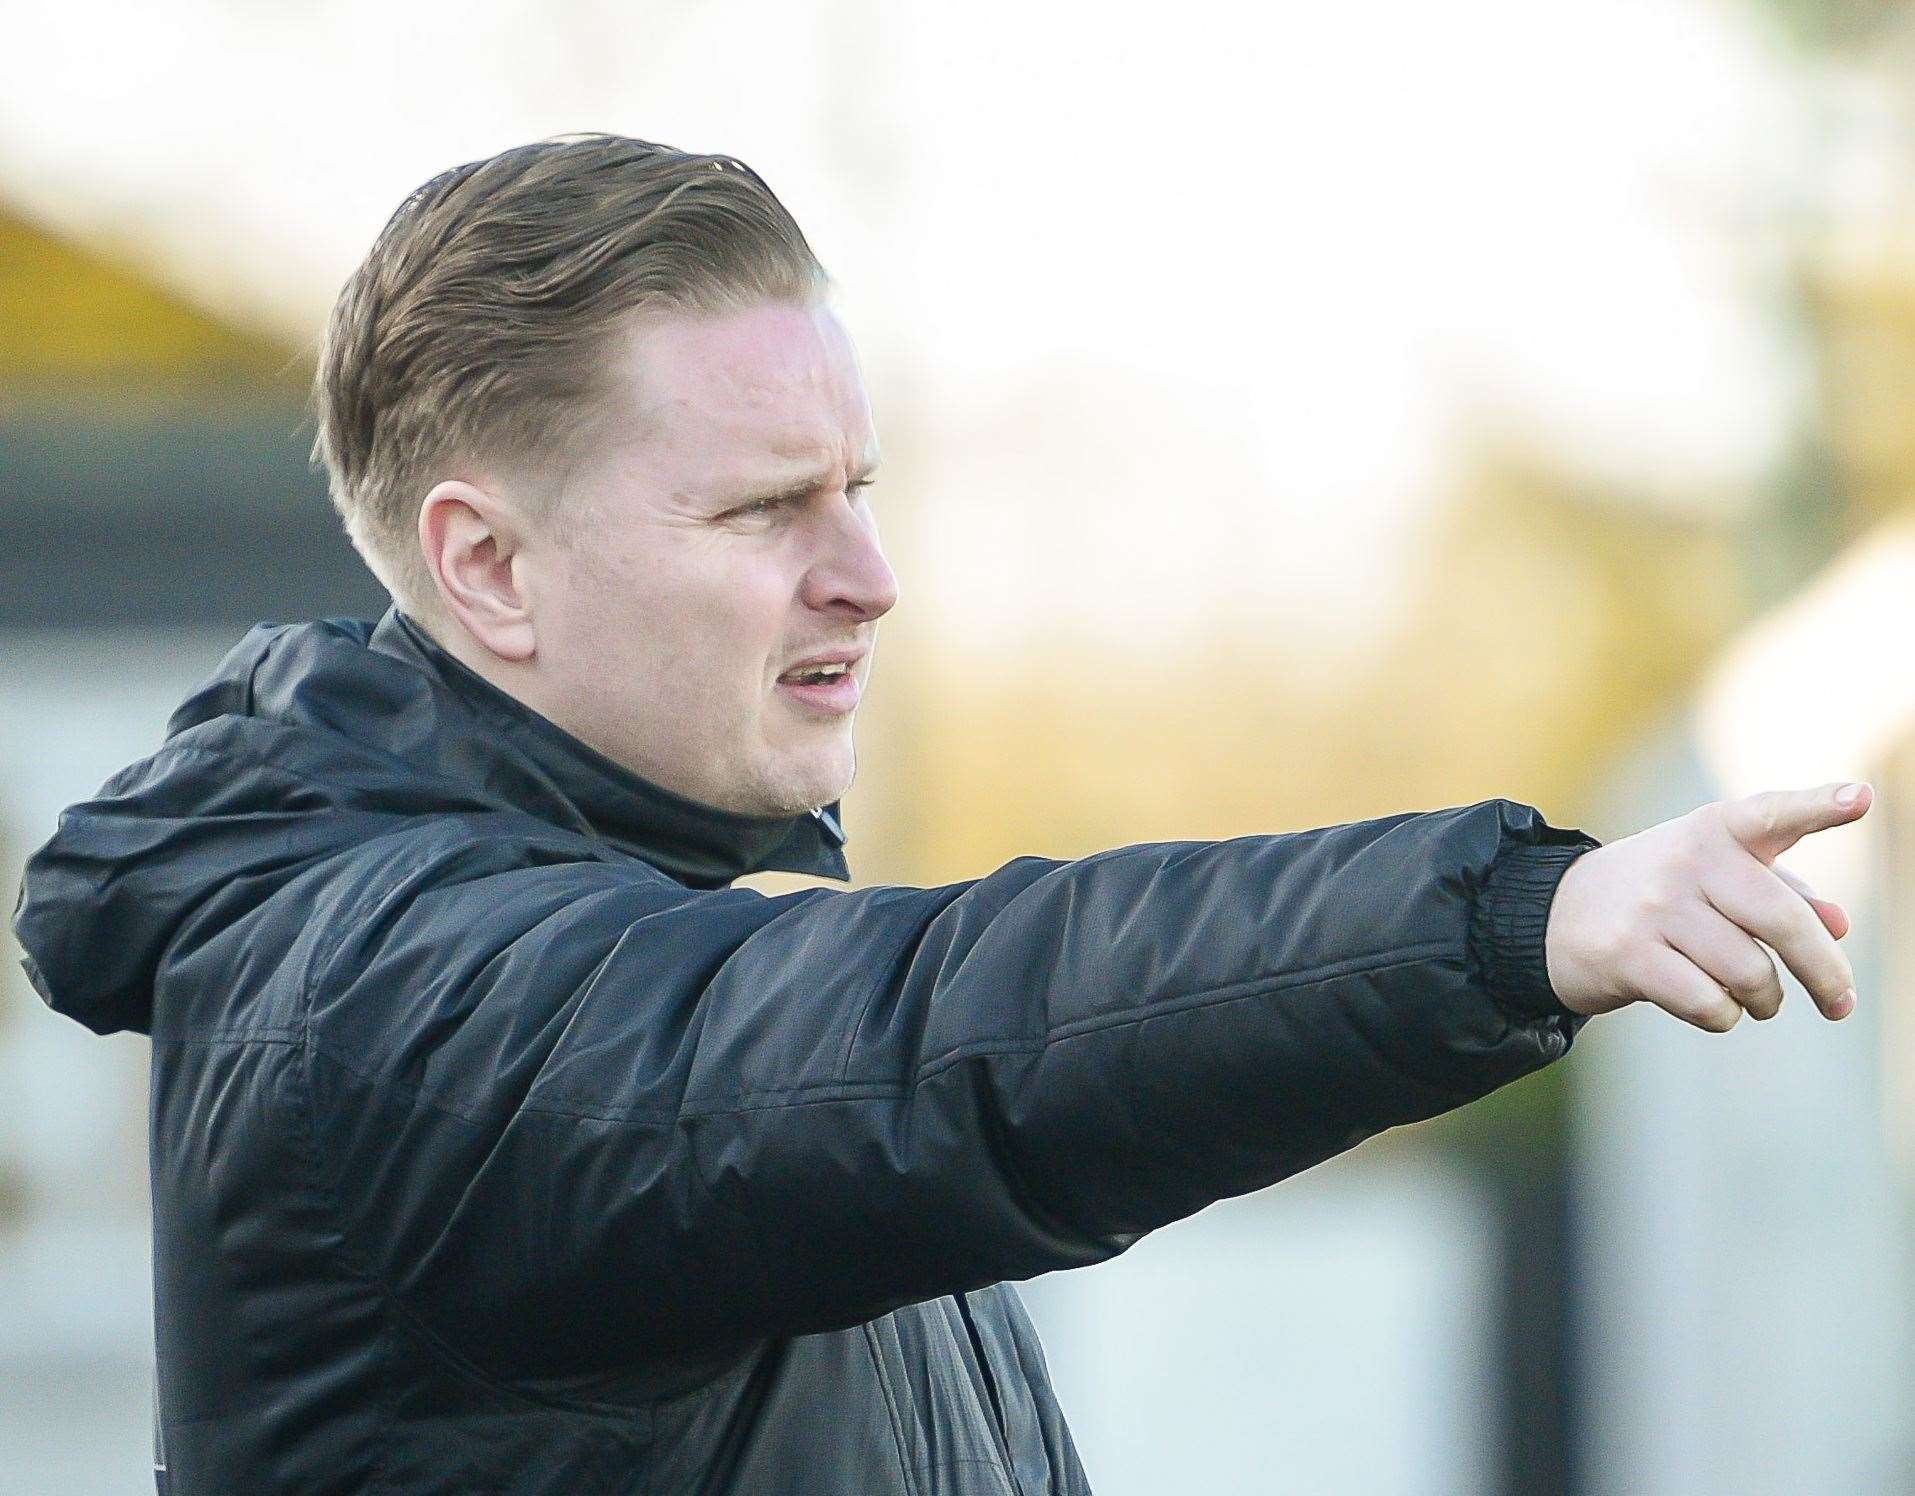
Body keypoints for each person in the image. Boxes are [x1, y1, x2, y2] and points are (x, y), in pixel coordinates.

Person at [12, 134, 1870, 1496]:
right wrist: (1497, 919)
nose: (869, 575)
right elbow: (947, 1030)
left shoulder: (632, 934)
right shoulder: (393, 1005)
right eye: (764, 512)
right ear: (485, 566)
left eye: (860, 488)